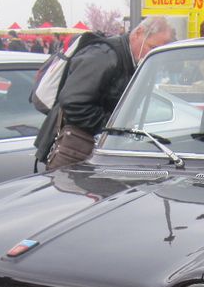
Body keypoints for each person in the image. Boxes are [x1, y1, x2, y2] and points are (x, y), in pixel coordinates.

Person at [38, 15, 176, 171]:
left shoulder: (129, 60)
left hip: (90, 151)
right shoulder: (104, 55)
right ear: (139, 33)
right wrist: (112, 126)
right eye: (151, 47)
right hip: (74, 149)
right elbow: (73, 102)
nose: (151, 54)